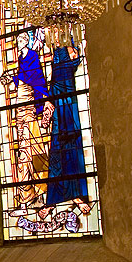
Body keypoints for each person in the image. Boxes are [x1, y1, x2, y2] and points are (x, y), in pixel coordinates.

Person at [37, 41, 91, 225]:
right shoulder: (59, 67)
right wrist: (47, 112)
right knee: (57, 156)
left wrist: (72, 47)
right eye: (72, 52)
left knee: (72, 153)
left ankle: (76, 195)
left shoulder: (68, 67)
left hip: (69, 114)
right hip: (59, 119)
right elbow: (51, 93)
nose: (75, 55)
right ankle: (52, 201)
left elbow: (76, 59)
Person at [2, 29, 54, 209]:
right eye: (18, 40)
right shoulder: (21, 58)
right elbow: (23, 77)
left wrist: (15, 78)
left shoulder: (31, 56)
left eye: (21, 40)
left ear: (26, 41)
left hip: (29, 104)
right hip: (20, 103)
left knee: (34, 147)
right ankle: (27, 194)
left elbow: (36, 78)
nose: (18, 43)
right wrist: (11, 78)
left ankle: (41, 190)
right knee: (23, 152)